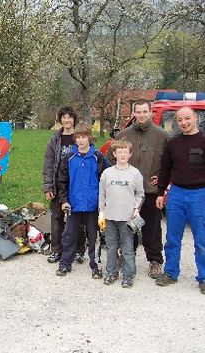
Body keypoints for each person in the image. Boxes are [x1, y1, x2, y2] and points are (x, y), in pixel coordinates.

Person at [155, 107, 205, 295]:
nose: (184, 123)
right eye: (180, 120)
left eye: (187, 118)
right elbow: (164, 170)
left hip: (199, 195)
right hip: (176, 194)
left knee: (202, 239)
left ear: (195, 118)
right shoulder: (172, 143)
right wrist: (160, 193)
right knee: (172, 238)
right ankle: (171, 273)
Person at [106, 100, 168, 279]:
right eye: (138, 112)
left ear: (151, 113)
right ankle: (126, 256)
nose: (141, 115)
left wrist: (162, 178)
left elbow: (169, 161)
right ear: (134, 113)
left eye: (145, 112)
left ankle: (155, 260)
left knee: (152, 229)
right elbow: (110, 157)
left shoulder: (162, 135)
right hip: (127, 192)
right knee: (126, 228)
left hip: (150, 191)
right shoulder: (124, 135)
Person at [56, 123, 109, 278]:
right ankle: (65, 263)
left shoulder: (98, 157)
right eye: (78, 137)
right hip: (74, 205)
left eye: (83, 137)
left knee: (94, 237)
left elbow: (106, 180)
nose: (80, 140)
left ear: (89, 137)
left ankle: (95, 265)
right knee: (69, 235)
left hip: (93, 206)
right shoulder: (69, 157)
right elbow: (62, 181)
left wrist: (103, 203)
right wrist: (64, 200)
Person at [42, 107, 87, 264]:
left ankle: (79, 250)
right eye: (64, 117)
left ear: (74, 119)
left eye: (70, 117)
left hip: (77, 185)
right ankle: (56, 250)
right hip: (58, 184)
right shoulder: (54, 140)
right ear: (60, 119)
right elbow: (48, 165)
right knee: (57, 219)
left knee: (78, 219)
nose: (67, 120)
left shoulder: (80, 137)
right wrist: (48, 187)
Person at [98, 139, 144, 288]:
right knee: (111, 247)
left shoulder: (135, 173)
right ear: (114, 154)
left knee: (127, 248)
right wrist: (101, 213)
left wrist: (136, 208)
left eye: (125, 152)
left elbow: (140, 194)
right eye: (120, 152)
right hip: (110, 217)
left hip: (127, 218)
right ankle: (111, 272)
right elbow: (102, 195)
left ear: (130, 154)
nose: (122, 154)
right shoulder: (107, 173)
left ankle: (128, 275)